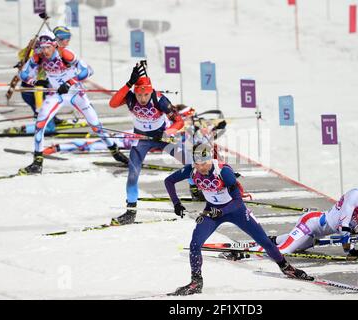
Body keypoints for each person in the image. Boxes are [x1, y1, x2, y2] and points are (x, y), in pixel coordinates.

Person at [164, 144, 313, 296]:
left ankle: (286, 268)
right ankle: (196, 282)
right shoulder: (191, 170)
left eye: (204, 163)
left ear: (210, 159)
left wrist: (221, 211)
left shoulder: (224, 171)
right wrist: (177, 204)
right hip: (212, 210)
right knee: (195, 244)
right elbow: (168, 181)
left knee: (264, 241)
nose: (201, 167)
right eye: (197, 164)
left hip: (235, 211)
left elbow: (237, 201)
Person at [18, 31, 128, 174]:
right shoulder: (38, 56)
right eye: (42, 47)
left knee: (96, 125)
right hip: (56, 94)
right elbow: (23, 73)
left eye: (48, 47)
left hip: (75, 93)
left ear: (54, 45)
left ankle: (115, 151)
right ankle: (37, 162)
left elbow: (88, 71)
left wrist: (69, 83)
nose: (45, 51)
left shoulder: (65, 54)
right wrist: (35, 81)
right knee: (40, 124)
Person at [226, 175, 358, 260]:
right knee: (284, 252)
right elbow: (343, 228)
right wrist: (349, 251)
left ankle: (267, 240)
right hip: (311, 223)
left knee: (289, 245)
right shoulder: (356, 195)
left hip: (316, 235)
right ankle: (240, 253)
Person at [108, 61, 191, 226]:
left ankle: (195, 188)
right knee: (132, 176)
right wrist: (128, 84)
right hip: (141, 140)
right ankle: (130, 212)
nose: (143, 98)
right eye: (139, 95)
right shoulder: (130, 97)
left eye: (145, 95)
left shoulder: (158, 99)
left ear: (151, 91)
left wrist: (167, 133)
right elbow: (113, 103)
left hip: (162, 137)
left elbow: (179, 121)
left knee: (189, 161)